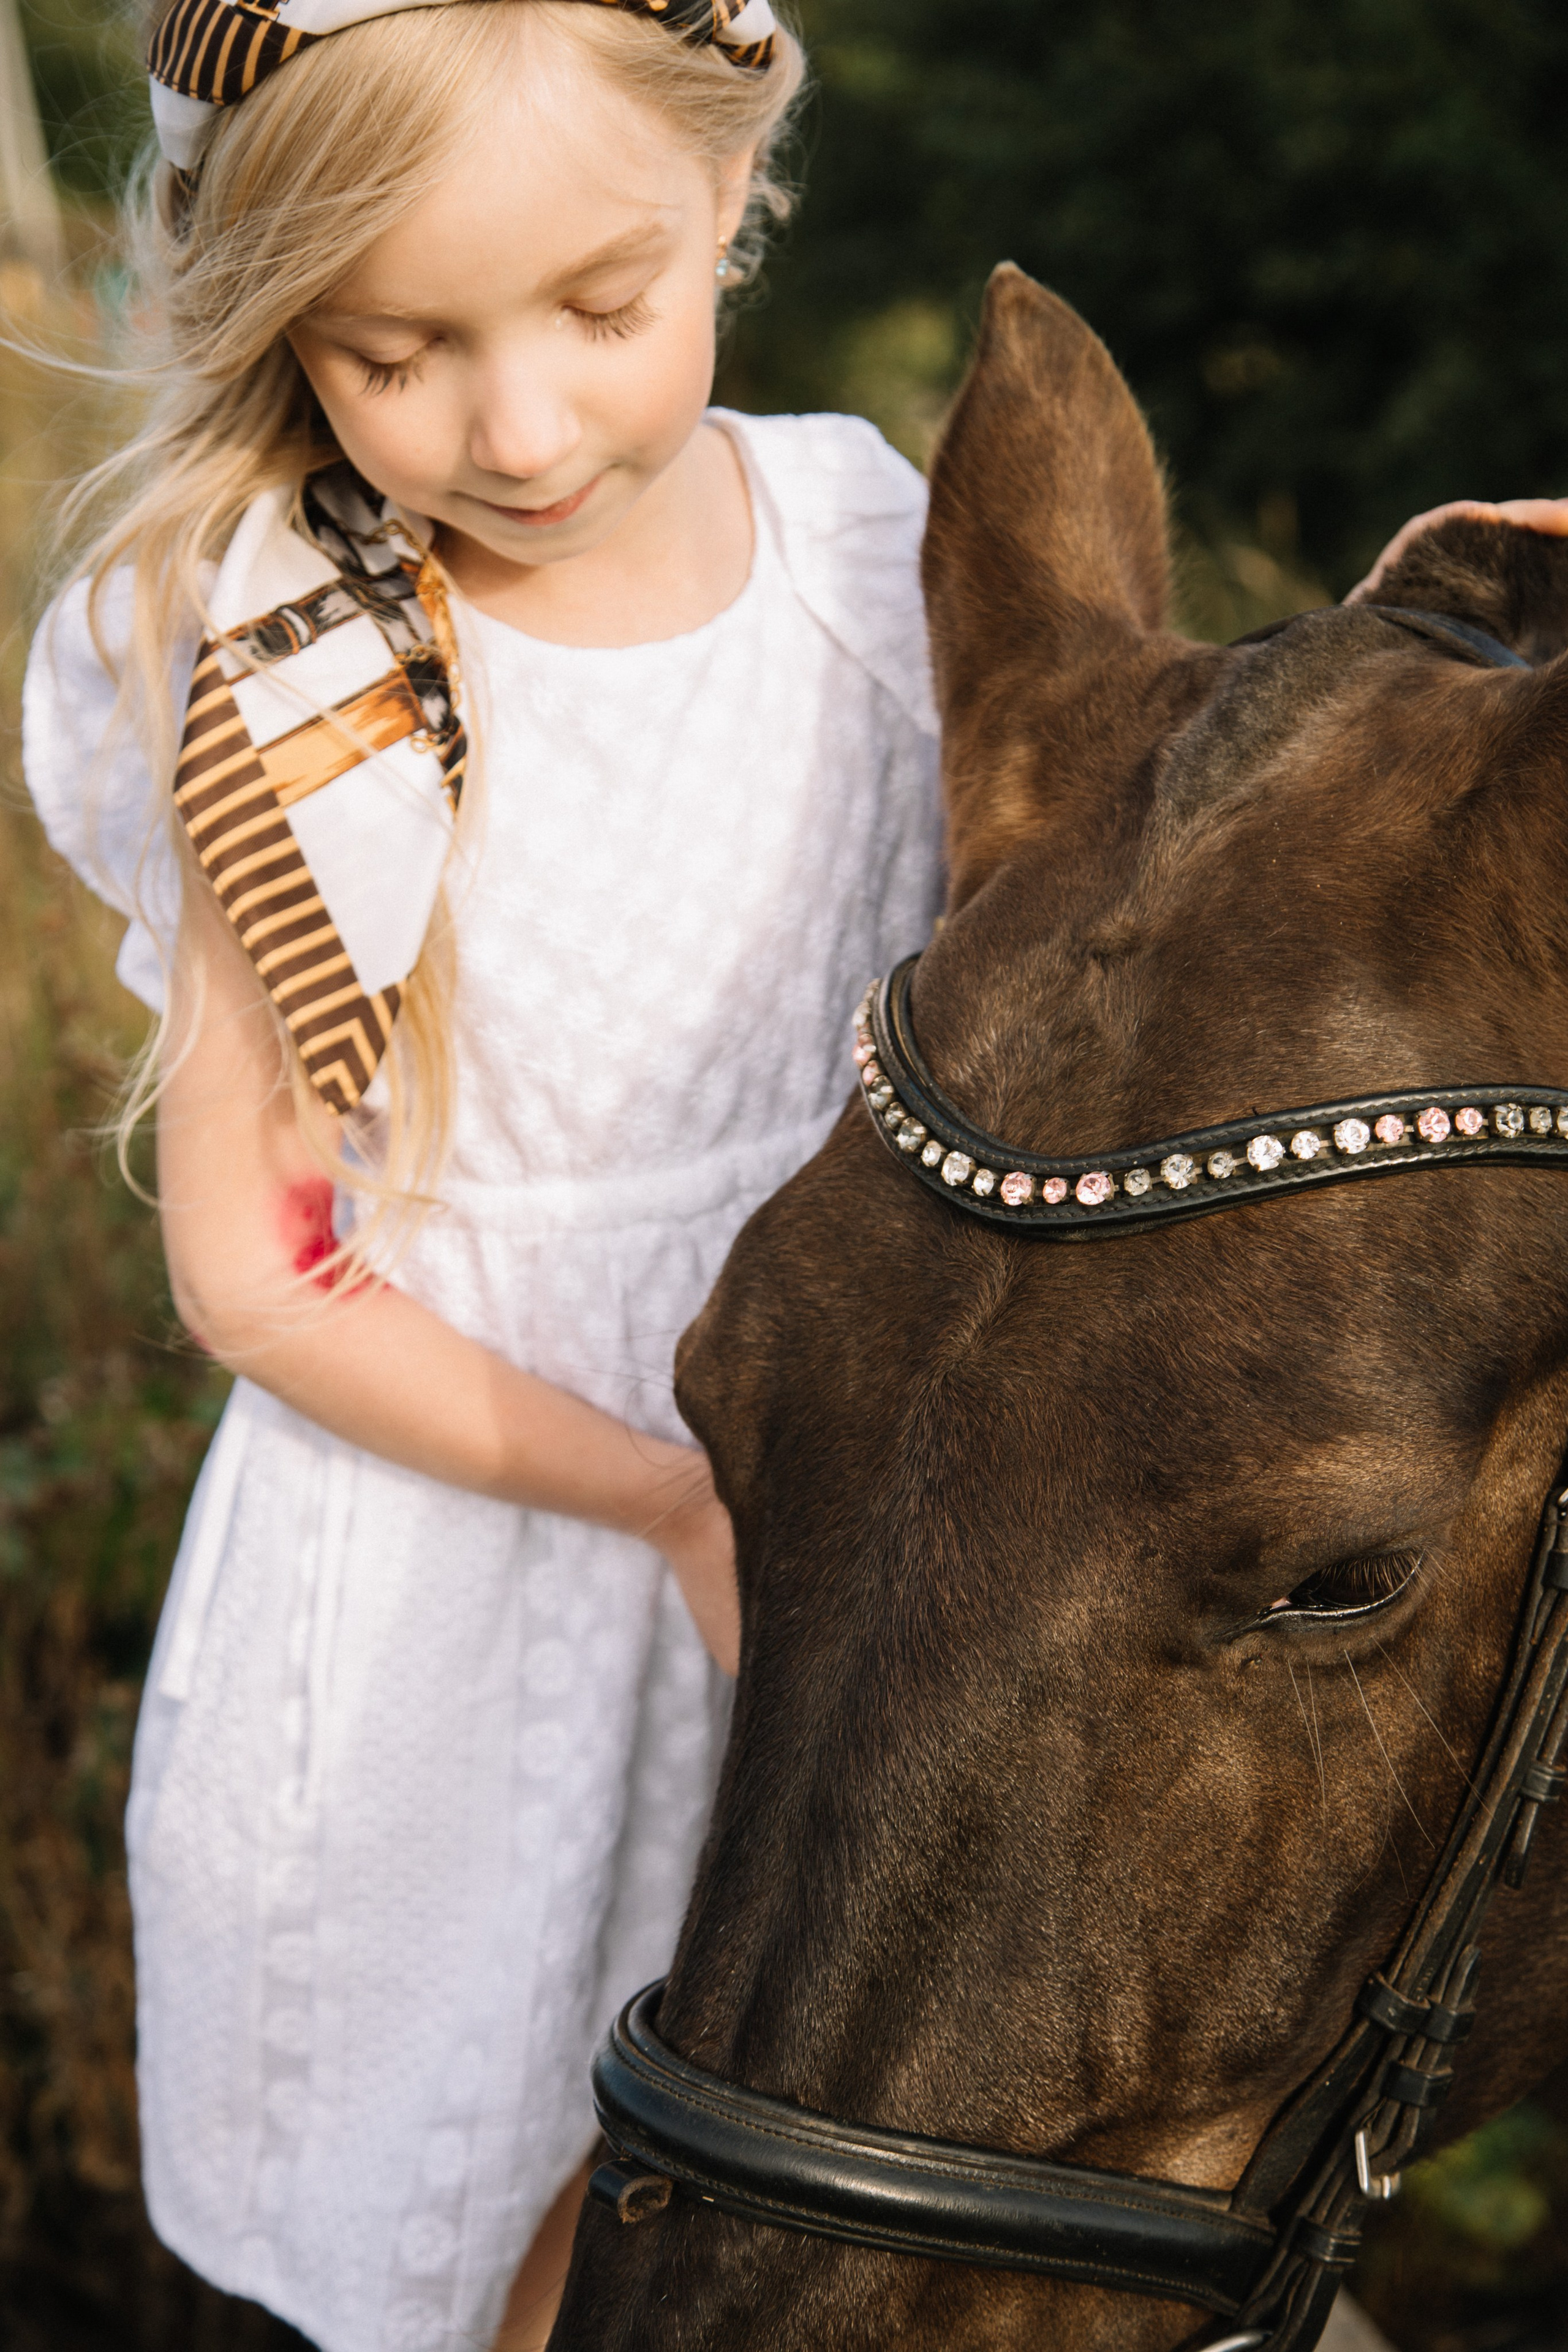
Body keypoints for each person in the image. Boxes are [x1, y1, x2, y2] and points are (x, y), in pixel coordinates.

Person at [21, 4, 943, 2347]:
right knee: (490, 2240)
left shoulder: (857, 541)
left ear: (737, 190)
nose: (521, 430)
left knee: (810, 2196)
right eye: (396, 350)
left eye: (606, 313)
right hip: (459, 1579)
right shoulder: (289, 667)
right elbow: (260, 1277)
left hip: (819, 1535)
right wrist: (655, 1498)